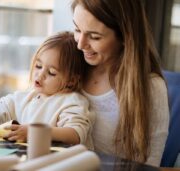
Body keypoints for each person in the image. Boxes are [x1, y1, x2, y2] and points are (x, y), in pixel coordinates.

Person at [71, 0, 169, 166]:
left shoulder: (150, 87)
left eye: (95, 37)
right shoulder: (70, 65)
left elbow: (150, 163)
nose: (81, 44)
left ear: (124, 36)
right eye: (77, 29)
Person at [0, 31, 95, 148]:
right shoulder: (27, 96)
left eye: (51, 73)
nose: (39, 75)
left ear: (71, 80)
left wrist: (34, 132)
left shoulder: (72, 101)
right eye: (38, 66)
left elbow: (75, 134)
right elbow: (0, 110)